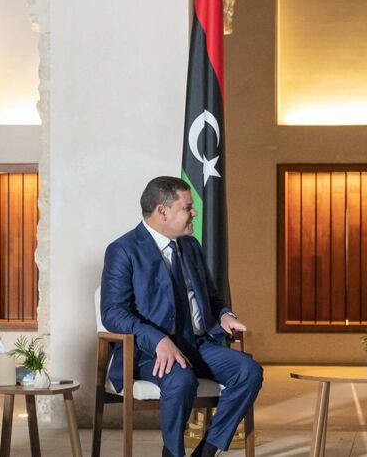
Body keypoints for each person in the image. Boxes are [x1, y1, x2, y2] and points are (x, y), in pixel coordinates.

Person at [101, 176, 262, 457]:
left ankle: (207, 451)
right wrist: (157, 339)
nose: (194, 213)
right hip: (149, 351)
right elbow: (113, 312)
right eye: (187, 207)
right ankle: (172, 453)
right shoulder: (124, 249)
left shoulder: (191, 246)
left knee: (249, 372)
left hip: (198, 345)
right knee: (181, 379)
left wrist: (224, 315)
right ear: (163, 211)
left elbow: (212, 297)